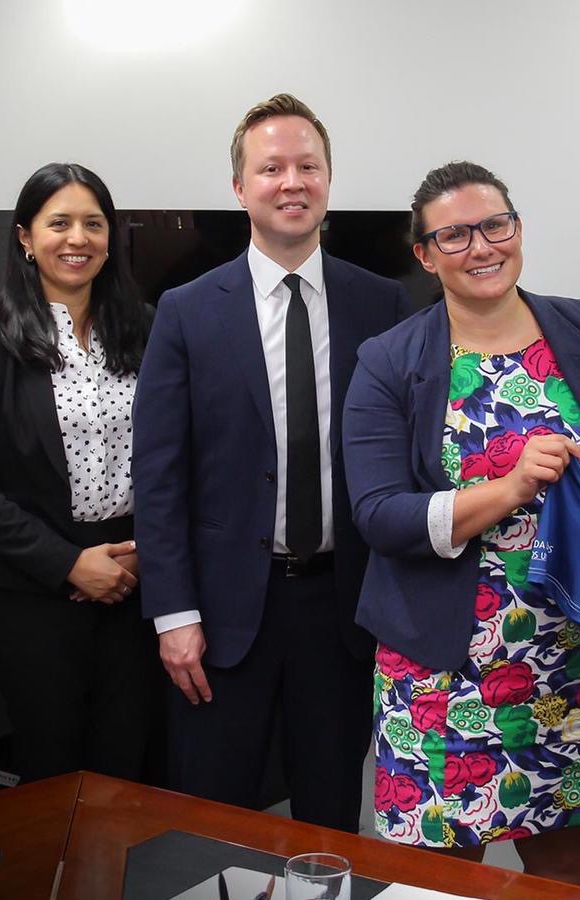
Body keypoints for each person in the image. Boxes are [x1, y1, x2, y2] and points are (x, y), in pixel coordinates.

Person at [341, 160, 580, 886]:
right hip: (438, 668)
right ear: (423, 254)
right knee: (438, 877)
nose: (482, 247)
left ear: (518, 229)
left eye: (495, 225)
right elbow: (379, 514)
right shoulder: (389, 361)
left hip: (567, 657)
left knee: (561, 868)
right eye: (453, 235)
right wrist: (510, 486)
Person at [133, 93, 409, 830]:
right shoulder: (186, 310)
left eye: (308, 166)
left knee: (330, 819)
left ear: (328, 180)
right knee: (213, 824)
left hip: (342, 613)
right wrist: (173, 613)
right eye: (271, 168)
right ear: (239, 188)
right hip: (220, 617)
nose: (292, 182)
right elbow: (158, 476)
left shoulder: (381, 304)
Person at [0, 162, 157, 783]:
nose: (77, 238)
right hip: (34, 587)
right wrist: (68, 563)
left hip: (134, 576)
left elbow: (175, 453)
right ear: (26, 238)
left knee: (128, 763)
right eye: (58, 223)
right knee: (49, 769)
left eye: (93, 223)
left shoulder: (147, 326)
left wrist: (145, 552)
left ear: (111, 238)